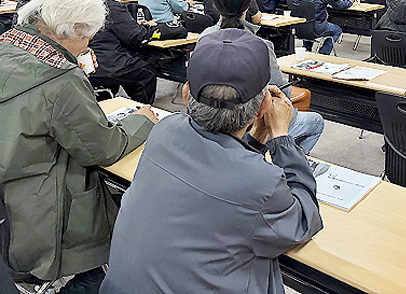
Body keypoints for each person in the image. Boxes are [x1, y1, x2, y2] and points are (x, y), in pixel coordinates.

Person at [0, 0, 157, 294]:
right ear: (74, 29)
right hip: (36, 226)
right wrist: (142, 121)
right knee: (135, 221)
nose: (88, 45)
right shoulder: (60, 78)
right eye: (88, 37)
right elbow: (102, 149)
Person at [100, 28, 323, 294]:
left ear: (186, 95)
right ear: (263, 107)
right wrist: (281, 138)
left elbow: (224, 177)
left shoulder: (164, 131)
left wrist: (256, 140)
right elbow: (304, 220)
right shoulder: (262, 182)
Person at [199, 0, 324, 154]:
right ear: (250, 1)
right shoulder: (260, 46)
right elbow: (282, 93)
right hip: (248, 126)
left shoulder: (204, 37)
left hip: (210, 123)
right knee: (317, 122)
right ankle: (285, 164)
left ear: (215, 2)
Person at [83, 0, 159, 104]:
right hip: (107, 65)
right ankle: (142, 111)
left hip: (84, 64)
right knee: (146, 72)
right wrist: (147, 27)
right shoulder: (112, 7)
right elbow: (135, 35)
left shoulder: (81, 4)